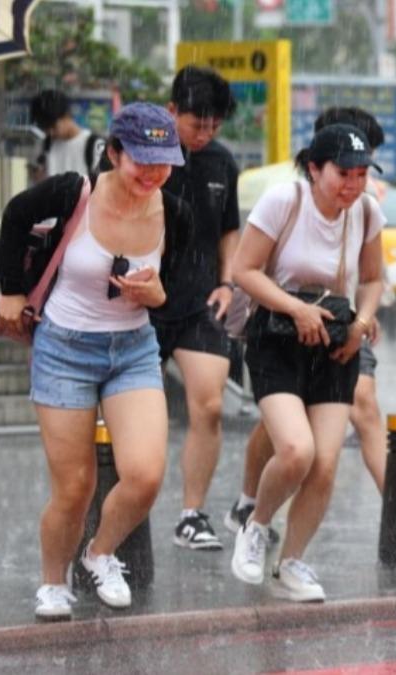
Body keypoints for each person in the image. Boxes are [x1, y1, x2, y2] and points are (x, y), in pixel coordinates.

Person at [0, 102, 192, 619]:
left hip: (132, 351)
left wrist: (155, 296)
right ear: (113, 153)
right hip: (64, 349)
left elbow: (182, 291)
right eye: (141, 161)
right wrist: (11, 292)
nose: (153, 174)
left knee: (146, 473)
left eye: (163, 162)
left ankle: (100, 552)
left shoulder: (175, 212)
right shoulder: (70, 192)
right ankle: (53, 582)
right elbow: (15, 216)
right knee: (75, 486)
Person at [229, 123, 385, 602]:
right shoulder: (284, 201)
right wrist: (295, 308)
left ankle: (292, 562)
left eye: (361, 174)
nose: (353, 184)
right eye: (343, 173)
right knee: (297, 451)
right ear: (315, 168)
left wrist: (363, 321)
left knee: (325, 466)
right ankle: (255, 525)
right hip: (277, 336)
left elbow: (374, 278)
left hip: (335, 343)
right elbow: (243, 270)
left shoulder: (365, 210)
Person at [153, 66, 241, 551]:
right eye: (196, 124)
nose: (206, 134)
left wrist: (227, 283)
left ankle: (192, 514)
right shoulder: (141, 158)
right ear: (171, 112)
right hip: (139, 305)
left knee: (208, 405)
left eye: (214, 125)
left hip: (200, 301)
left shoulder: (223, 164)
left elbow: (230, 229)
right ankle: (114, 504)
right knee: (120, 417)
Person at [29, 90, 106, 179]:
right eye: (45, 128)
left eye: (53, 126)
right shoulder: (43, 146)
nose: (50, 132)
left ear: (66, 115)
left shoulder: (95, 145)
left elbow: (104, 185)